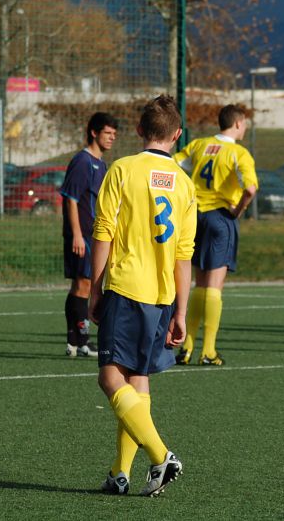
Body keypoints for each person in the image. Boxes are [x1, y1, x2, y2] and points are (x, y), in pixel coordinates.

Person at [88, 95, 197, 497]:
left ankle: (160, 455)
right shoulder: (185, 185)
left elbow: (103, 231)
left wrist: (94, 286)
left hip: (126, 286)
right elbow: (184, 257)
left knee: (109, 376)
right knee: (138, 380)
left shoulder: (122, 169)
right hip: (162, 295)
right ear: (178, 135)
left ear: (138, 131)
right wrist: (181, 311)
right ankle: (119, 474)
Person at [172, 104, 258, 366]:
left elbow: (174, 163)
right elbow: (251, 188)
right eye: (244, 124)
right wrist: (239, 210)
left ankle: (186, 347)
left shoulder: (199, 145)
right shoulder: (238, 153)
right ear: (237, 124)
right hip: (221, 217)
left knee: (199, 284)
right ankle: (208, 350)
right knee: (214, 286)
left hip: (195, 215)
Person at [59, 111, 118, 357]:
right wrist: (76, 235)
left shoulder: (101, 163)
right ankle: (82, 340)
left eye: (114, 134)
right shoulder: (83, 161)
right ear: (94, 132)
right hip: (82, 234)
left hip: (93, 234)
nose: (112, 138)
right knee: (83, 285)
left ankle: (73, 341)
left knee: (82, 284)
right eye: (107, 133)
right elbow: (70, 199)